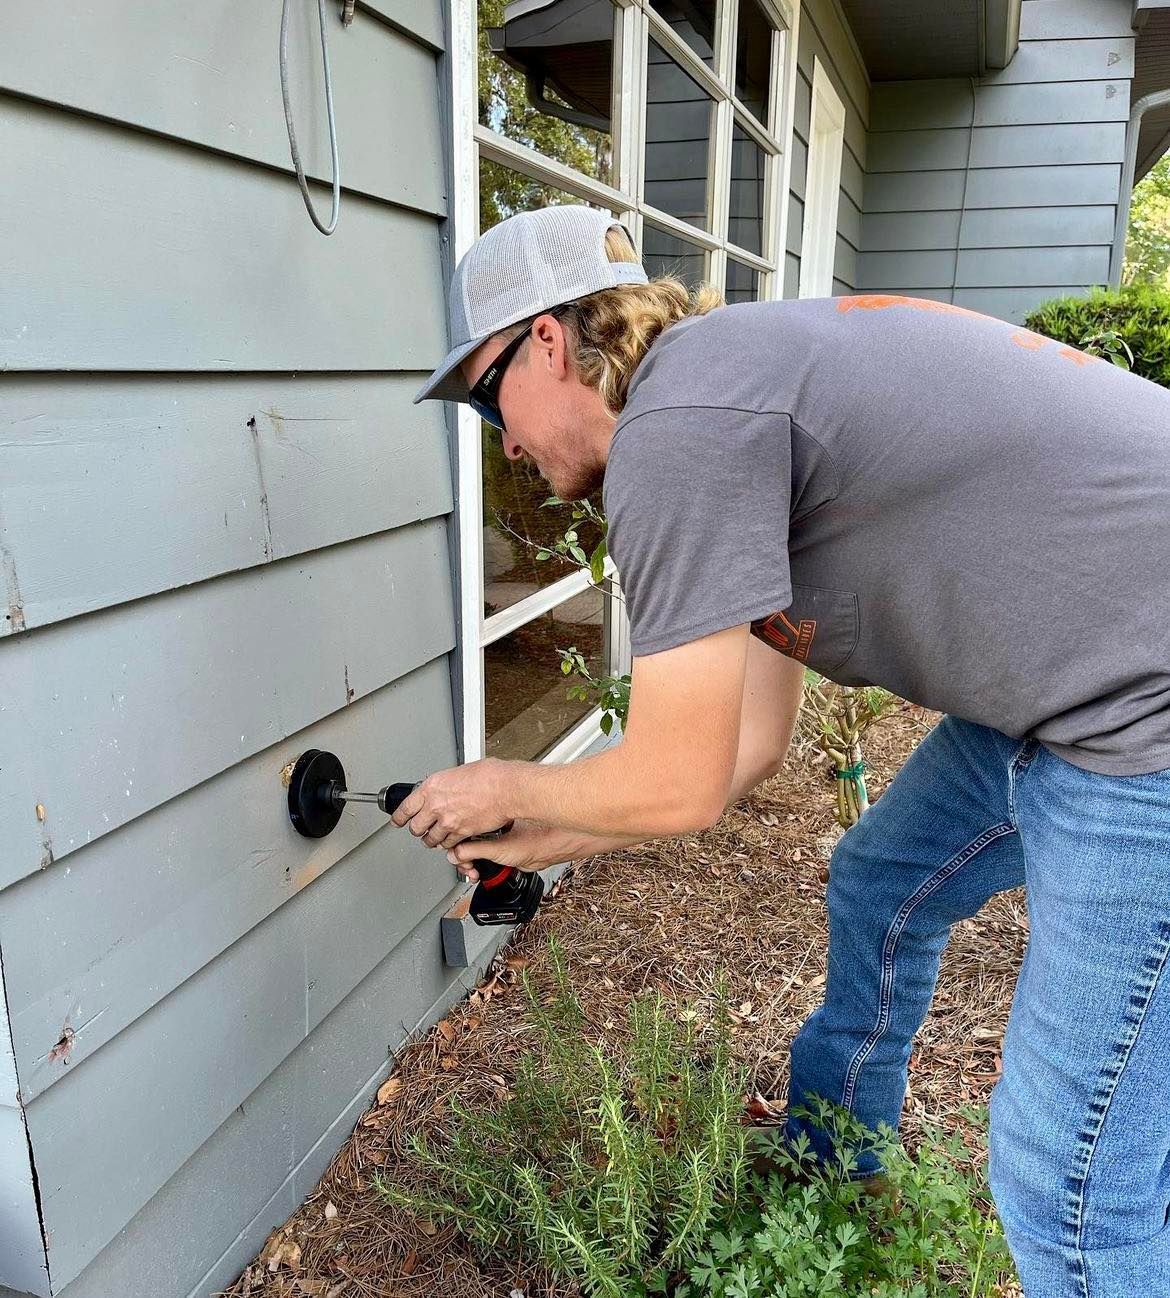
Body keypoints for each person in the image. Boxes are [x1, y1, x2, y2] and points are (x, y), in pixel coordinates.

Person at [401, 203, 1170, 1297]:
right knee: (882, 879)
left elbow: (673, 775)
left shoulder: (682, 427)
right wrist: (530, 831)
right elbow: (739, 755)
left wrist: (498, 784)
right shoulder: (722, 389)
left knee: (1073, 1185)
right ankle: (833, 1151)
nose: (506, 441)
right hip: (1066, 683)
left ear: (550, 341)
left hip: (1139, 711)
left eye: (487, 400)